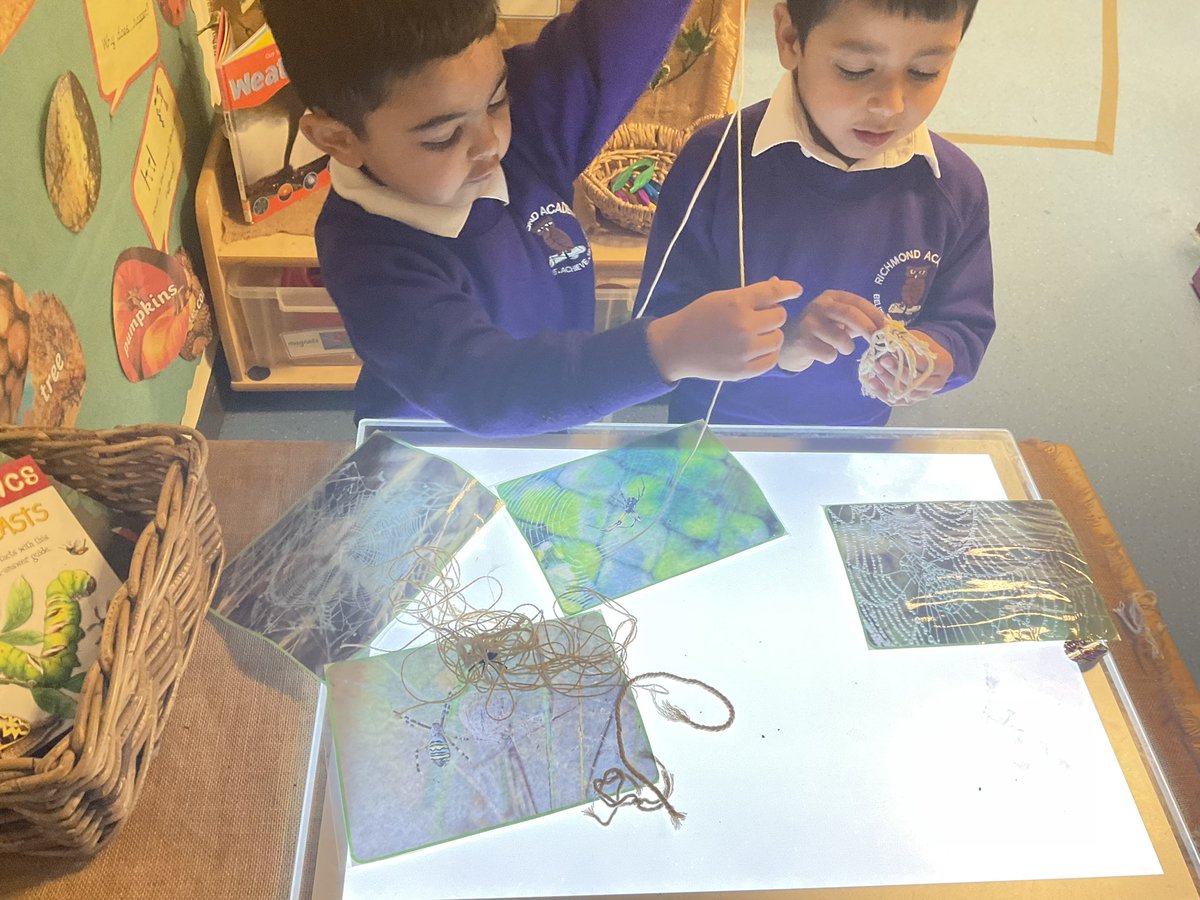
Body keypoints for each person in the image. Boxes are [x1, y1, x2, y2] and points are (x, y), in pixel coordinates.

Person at [259, 0, 800, 435]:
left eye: (497, 101)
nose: (491, 144)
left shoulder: (529, 118)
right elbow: (485, 384)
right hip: (432, 449)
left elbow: (626, 25)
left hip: (555, 411)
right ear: (338, 140)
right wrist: (665, 348)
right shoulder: (369, 257)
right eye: (443, 137)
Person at [637, 0, 995, 426]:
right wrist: (784, 344)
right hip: (713, 436)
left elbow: (965, 325)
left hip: (855, 445)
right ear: (790, 38)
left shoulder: (954, 186)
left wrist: (934, 355)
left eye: (924, 72)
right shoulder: (715, 160)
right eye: (856, 68)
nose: (891, 106)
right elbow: (658, 329)